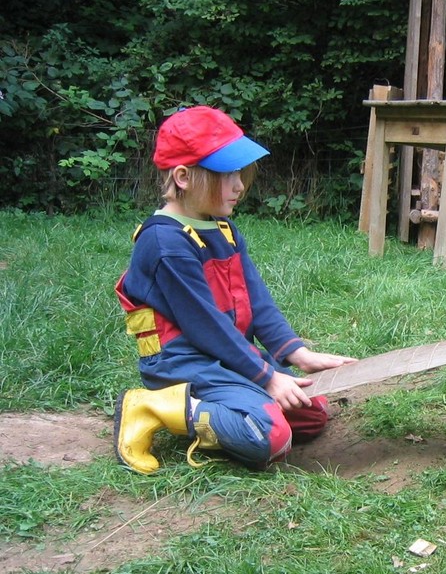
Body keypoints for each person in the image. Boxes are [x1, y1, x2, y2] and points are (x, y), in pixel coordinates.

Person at [113, 106, 356, 474]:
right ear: (183, 176)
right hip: (183, 360)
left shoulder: (222, 227)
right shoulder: (165, 242)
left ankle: (236, 400)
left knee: (311, 415)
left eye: (240, 173)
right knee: (266, 436)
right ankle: (153, 407)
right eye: (227, 175)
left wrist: (298, 354)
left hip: (224, 354)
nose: (240, 185)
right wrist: (266, 376)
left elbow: (256, 300)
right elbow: (205, 326)